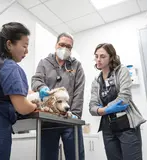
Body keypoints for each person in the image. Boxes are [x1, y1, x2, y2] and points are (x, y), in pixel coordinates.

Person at [31, 32, 85, 160]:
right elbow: (36, 80)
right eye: (62, 45)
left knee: (75, 156)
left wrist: (75, 116)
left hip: (69, 119)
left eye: (68, 46)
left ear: (71, 49)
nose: (64, 49)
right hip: (49, 118)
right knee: (47, 156)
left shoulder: (76, 66)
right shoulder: (44, 63)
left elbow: (79, 91)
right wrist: (41, 88)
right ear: (56, 45)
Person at [89, 43, 146, 160]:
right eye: (96, 56)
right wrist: (106, 109)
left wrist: (101, 109)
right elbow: (92, 107)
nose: (98, 60)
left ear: (111, 57)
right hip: (108, 129)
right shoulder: (96, 81)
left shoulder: (122, 71)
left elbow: (124, 99)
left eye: (103, 56)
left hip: (126, 126)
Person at [0, 22, 38, 160]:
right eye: (24, 46)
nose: (27, 51)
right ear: (9, 45)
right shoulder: (10, 67)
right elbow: (22, 107)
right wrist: (35, 105)